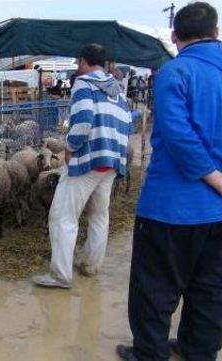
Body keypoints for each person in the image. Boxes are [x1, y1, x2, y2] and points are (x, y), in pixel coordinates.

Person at [116, 3, 222, 360]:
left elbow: (178, 137)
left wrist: (215, 179)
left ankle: (149, 353)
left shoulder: (174, 72)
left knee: (154, 288)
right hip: (217, 215)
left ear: (175, 36)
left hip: (170, 208)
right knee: (210, 289)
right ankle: (197, 350)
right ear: (217, 32)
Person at [32, 44, 132, 289]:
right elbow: (128, 125)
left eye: (79, 63)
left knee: (63, 215)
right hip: (112, 161)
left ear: (83, 61)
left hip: (88, 160)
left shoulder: (84, 84)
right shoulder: (117, 91)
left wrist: (70, 147)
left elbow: (83, 120)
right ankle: (90, 264)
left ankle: (61, 275)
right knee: (99, 214)